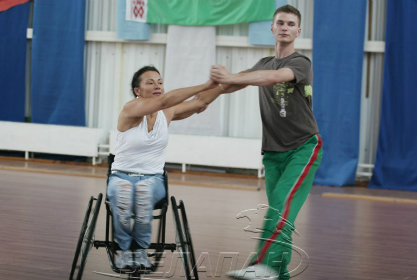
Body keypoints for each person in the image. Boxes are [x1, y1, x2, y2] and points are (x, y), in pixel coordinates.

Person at [211, 5, 323, 280]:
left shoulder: (301, 63)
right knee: (279, 214)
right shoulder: (262, 63)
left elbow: (273, 77)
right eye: (280, 22)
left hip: (303, 148)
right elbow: (233, 84)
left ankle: (261, 264)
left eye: (290, 24)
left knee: (281, 209)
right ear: (272, 28)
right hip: (273, 153)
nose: (284, 27)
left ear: (297, 31)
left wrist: (233, 77)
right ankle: (278, 273)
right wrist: (203, 98)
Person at [107, 65, 232, 269]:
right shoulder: (130, 109)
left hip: (153, 178)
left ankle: (139, 251)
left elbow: (201, 102)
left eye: (160, 82)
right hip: (121, 176)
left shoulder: (167, 112)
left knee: (143, 193)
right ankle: (123, 251)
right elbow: (165, 100)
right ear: (137, 91)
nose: (157, 86)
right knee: (123, 193)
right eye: (150, 82)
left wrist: (222, 85)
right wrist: (206, 84)